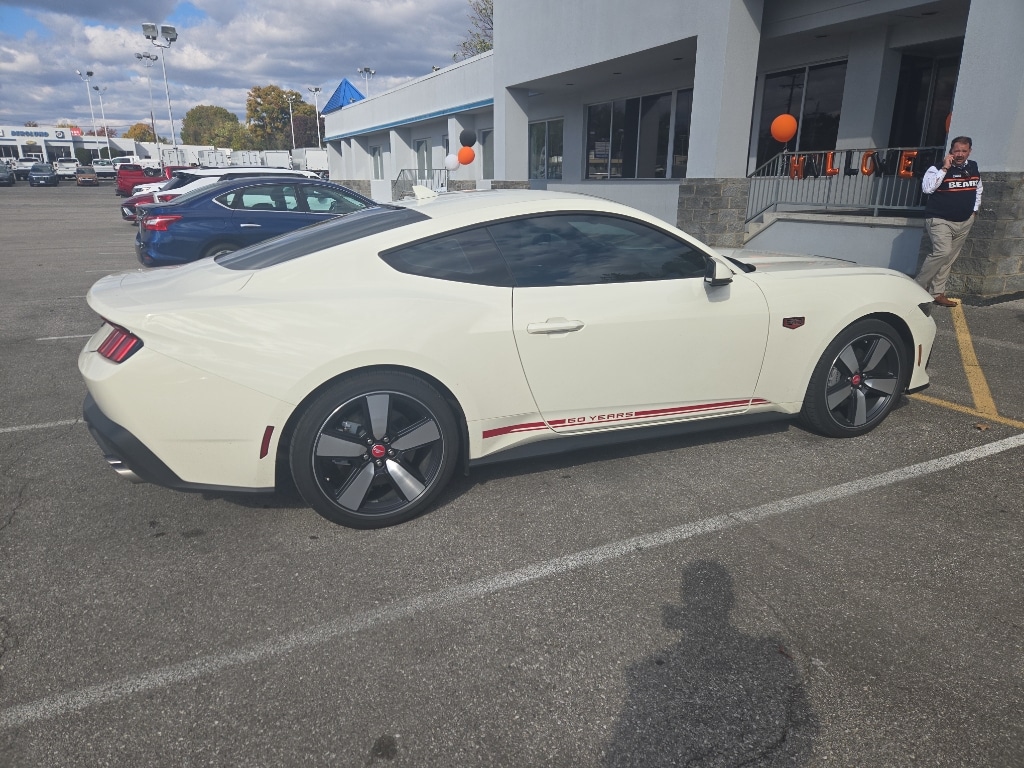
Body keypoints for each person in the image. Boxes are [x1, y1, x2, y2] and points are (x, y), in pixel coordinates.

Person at [916, 136, 983, 307]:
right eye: (957, 150)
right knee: (943, 252)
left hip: (964, 221)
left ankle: (937, 293)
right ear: (951, 151)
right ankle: (917, 287)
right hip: (939, 219)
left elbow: (978, 189)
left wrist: (974, 211)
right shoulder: (936, 168)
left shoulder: (973, 167)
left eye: (964, 151)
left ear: (969, 151)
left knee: (950, 258)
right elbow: (927, 188)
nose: (960, 154)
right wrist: (945, 168)